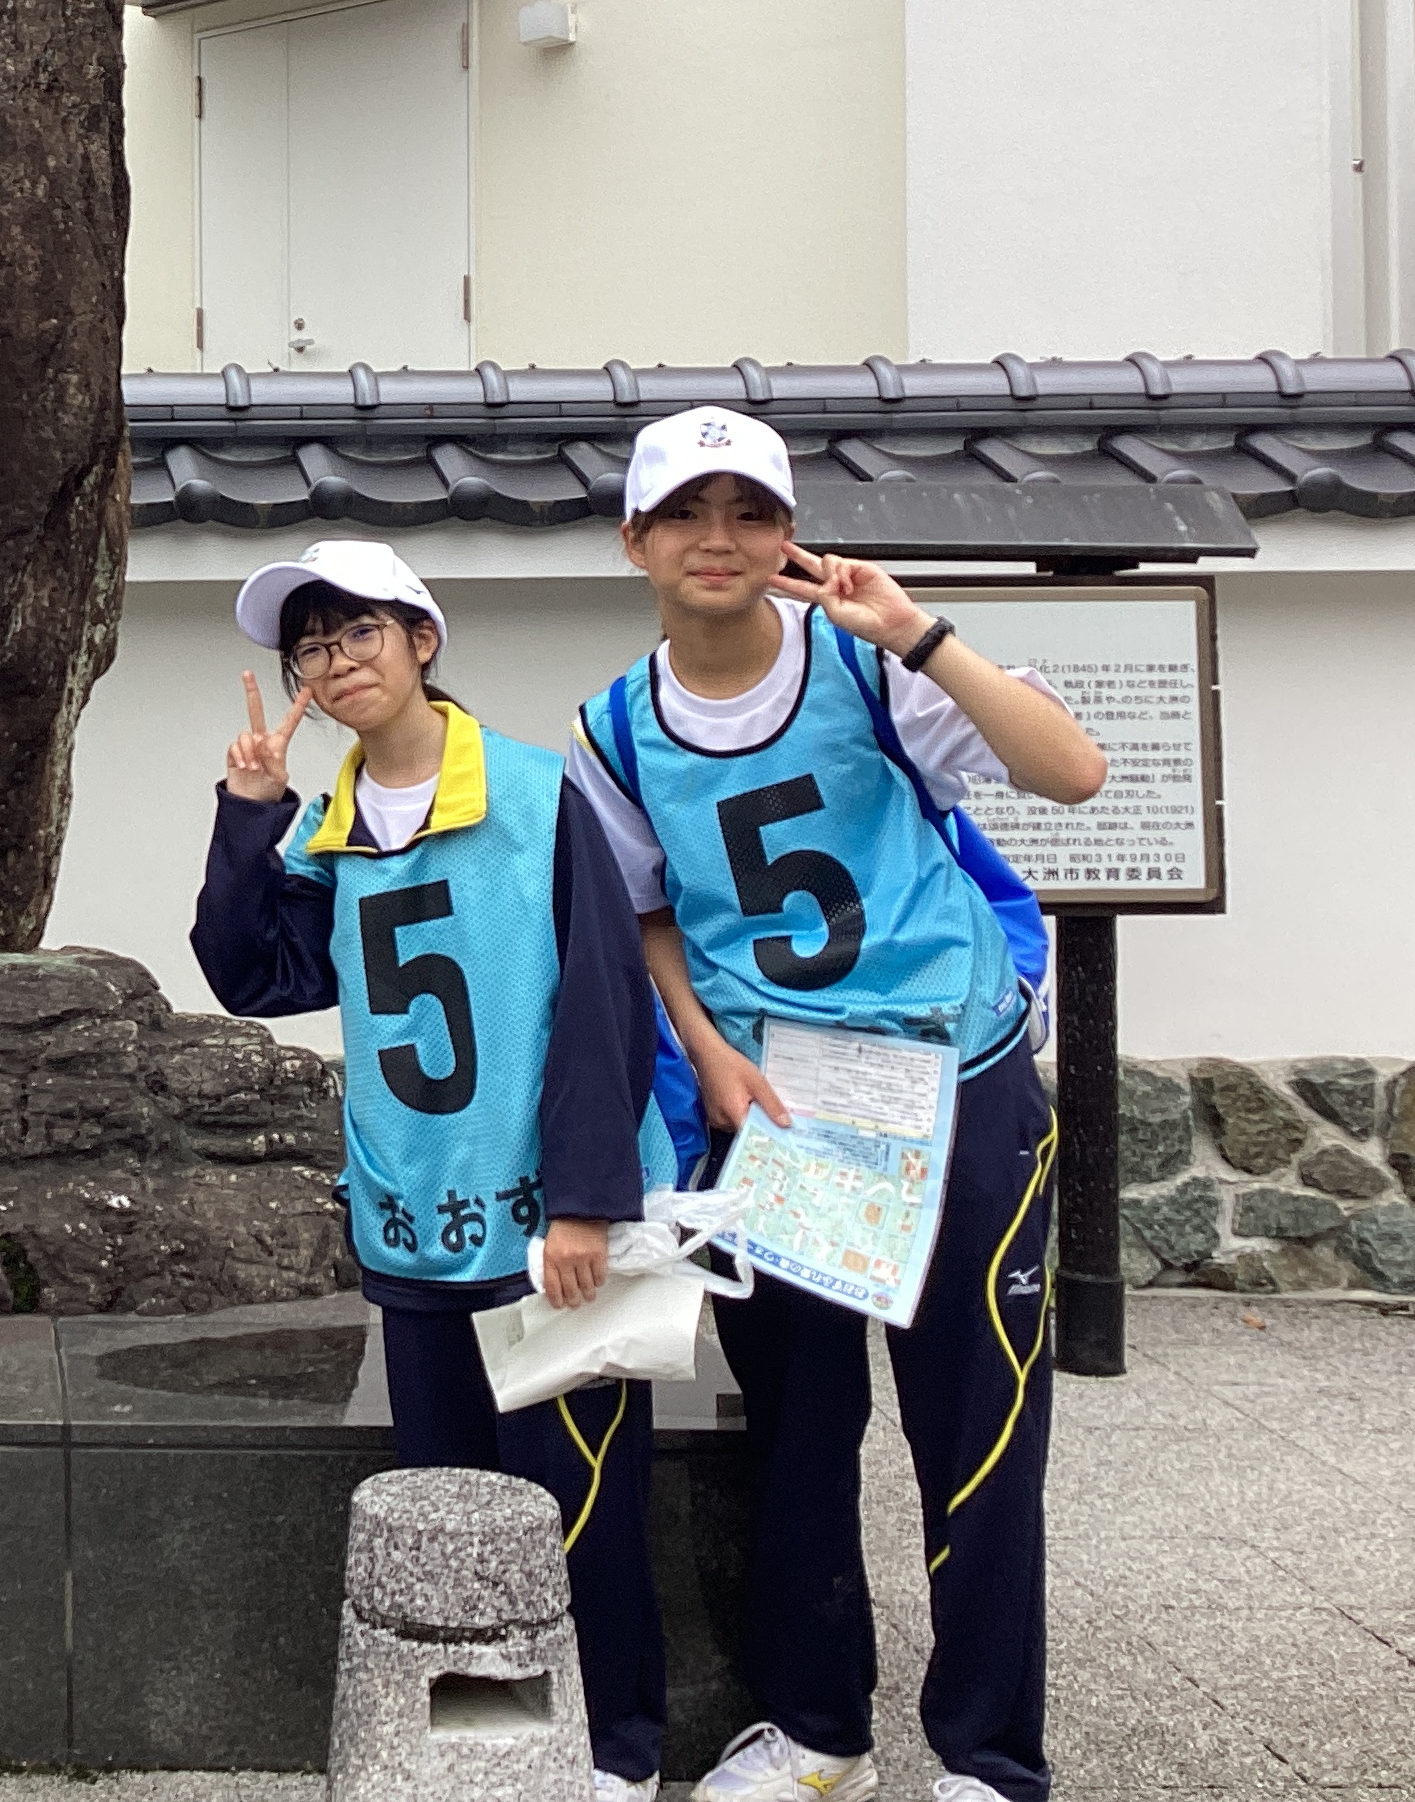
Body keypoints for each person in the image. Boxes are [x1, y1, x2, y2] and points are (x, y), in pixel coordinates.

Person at [567, 407, 1107, 1802]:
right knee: (800, 1432)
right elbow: (645, 912)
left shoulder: (867, 668)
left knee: (979, 1427)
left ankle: (989, 1758)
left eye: (750, 512)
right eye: (687, 514)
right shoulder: (614, 730)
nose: (719, 540)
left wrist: (917, 633)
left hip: (957, 1080)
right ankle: (818, 1733)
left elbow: (1072, 772)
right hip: (788, 1107)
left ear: (788, 535)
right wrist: (706, 1046)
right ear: (635, 542)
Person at [191, 538, 683, 1802]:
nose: (333, 662)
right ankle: (478, 1750)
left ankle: (614, 1747)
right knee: (449, 1513)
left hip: (542, 1228)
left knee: (579, 1502)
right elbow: (253, 974)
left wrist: (585, 1202)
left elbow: (605, 999)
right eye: (310, 647)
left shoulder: (538, 795)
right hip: (413, 1217)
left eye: (358, 631)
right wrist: (249, 812)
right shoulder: (331, 830)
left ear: (422, 640)